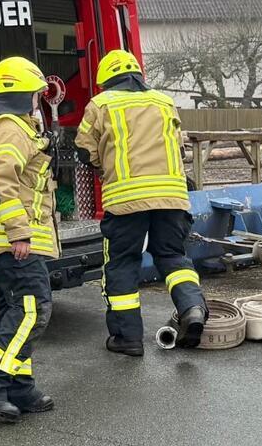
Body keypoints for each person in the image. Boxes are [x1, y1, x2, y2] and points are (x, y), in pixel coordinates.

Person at [75, 49, 206, 355]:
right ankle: (192, 309)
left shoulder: (101, 104)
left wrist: (103, 164)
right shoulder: (164, 101)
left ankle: (128, 338)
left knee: (122, 264)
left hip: (125, 199)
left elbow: (84, 150)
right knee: (173, 257)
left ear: (105, 80)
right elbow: (179, 146)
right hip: (172, 196)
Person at [0, 56, 59, 422]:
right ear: (21, 95)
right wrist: (19, 233)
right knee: (32, 311)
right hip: (12, 241)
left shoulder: (12, 127)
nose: (38, 102)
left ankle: (19, 387)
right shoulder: (9, 129)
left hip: (6, 241)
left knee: (13, 309)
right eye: (35, 96)